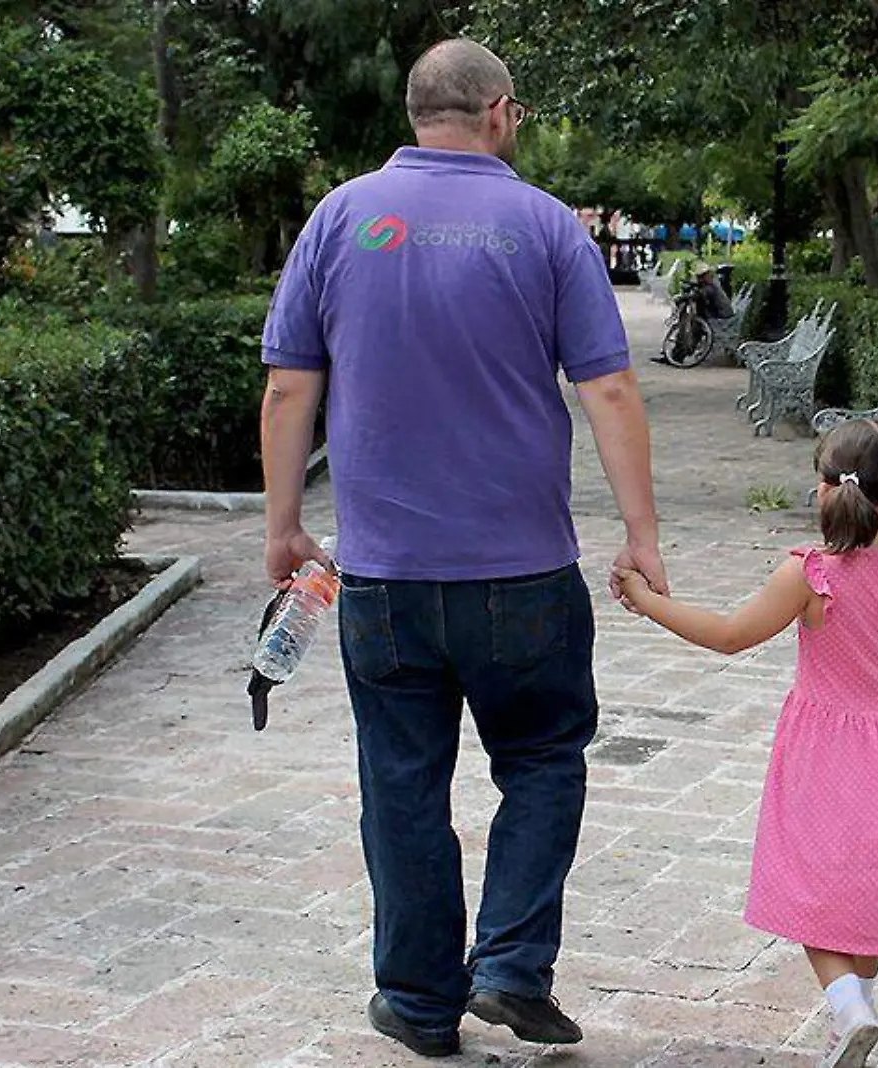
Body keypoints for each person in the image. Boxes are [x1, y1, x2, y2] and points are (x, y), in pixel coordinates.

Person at [258, 38, 667, 1059]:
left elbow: (285, 387)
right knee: (541, 759)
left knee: (400, 782)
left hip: (384, 579)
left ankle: (418, 1001)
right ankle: (515, 966)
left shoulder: (339, 218)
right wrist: (642, 535)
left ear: (415, 112)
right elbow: (608, 387)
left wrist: (281, 527)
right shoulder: (544, 226)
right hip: (522, 575)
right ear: (501, 113)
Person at [616, 419, 878, 1068]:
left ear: (826, 491)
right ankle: (853, 1015)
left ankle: (847, 1006)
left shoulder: (812, 574)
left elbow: (729, 635)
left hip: (827, 748)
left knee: (808, 883)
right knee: (871, 888)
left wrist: (648, 603)